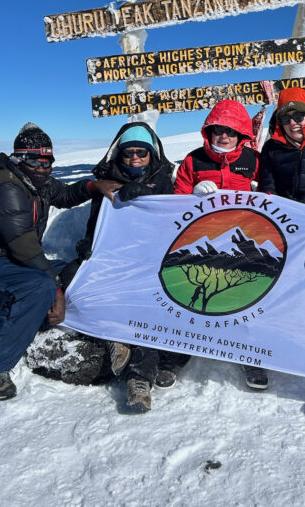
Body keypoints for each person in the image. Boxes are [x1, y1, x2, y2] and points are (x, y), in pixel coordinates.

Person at [0, 122, 121, 400]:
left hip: (7, 266)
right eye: (34, 160)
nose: (42, 168)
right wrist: (56, 291)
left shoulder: (35, 181)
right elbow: (24, 247)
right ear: (18, 159)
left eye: (47, 161)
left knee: (72, 270)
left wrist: (91, 186)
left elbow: (63, 195)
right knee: (41, 288)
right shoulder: (6, 185)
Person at [68, 122, 185, 413]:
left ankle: (139, 380)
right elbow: (97, 223)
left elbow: (171, 222)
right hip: (114, 256)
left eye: (141, 153)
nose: (135, 158)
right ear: (119, 155)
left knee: (146, 305)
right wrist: (87, 244)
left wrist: (144, 193)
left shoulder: (165, 181)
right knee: (73, 282)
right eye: (128, 153)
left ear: (151, 154)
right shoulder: (106, 182)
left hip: (151, 259)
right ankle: (114, 338)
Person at [174, 99, 268, 390]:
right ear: (208, 132)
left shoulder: (253, 161)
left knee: (246, 297)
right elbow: (175, 202)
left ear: (241, 134)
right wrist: (192, 196)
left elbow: (270, 199)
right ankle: (173, 355)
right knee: (188, 297)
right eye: (217, 130)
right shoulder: (192, 160)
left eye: (230, 131)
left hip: (240, 241)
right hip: (200, 239)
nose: (223, 136)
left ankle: (250, 355)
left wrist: (259, 194)